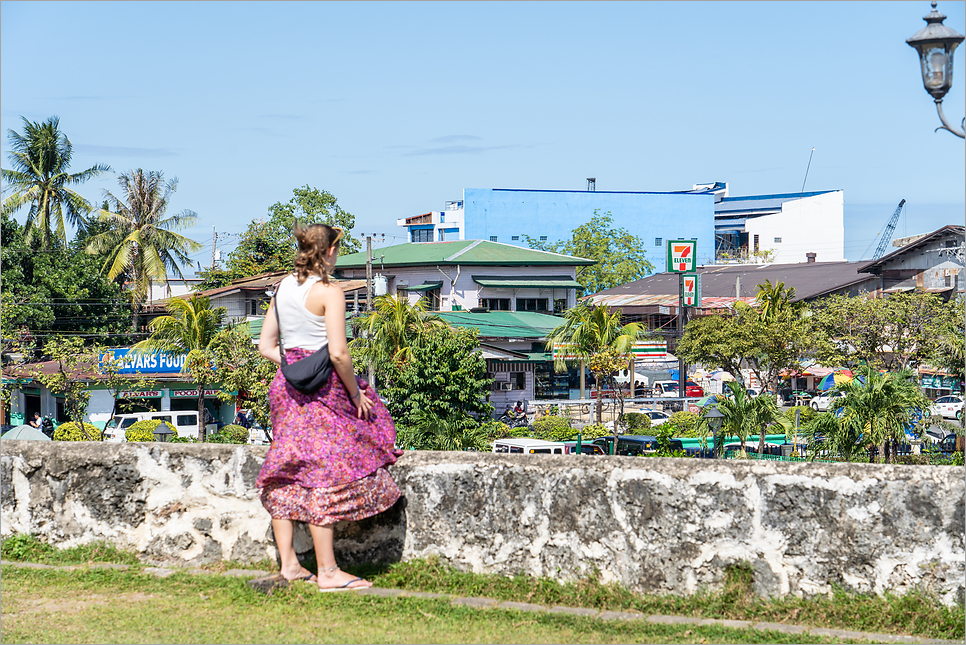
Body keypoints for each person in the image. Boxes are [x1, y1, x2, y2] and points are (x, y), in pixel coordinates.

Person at [256, 223, 401, 591]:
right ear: (329, 251)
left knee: (288, 470)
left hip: (287, 386)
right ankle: (328, 571)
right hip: (324, 389)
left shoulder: (283, 287)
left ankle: (289, 564)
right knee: (327, 473)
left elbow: (266, 345)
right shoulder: (329, 291)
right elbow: (338, 352)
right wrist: (355, 395)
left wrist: (295, 366)